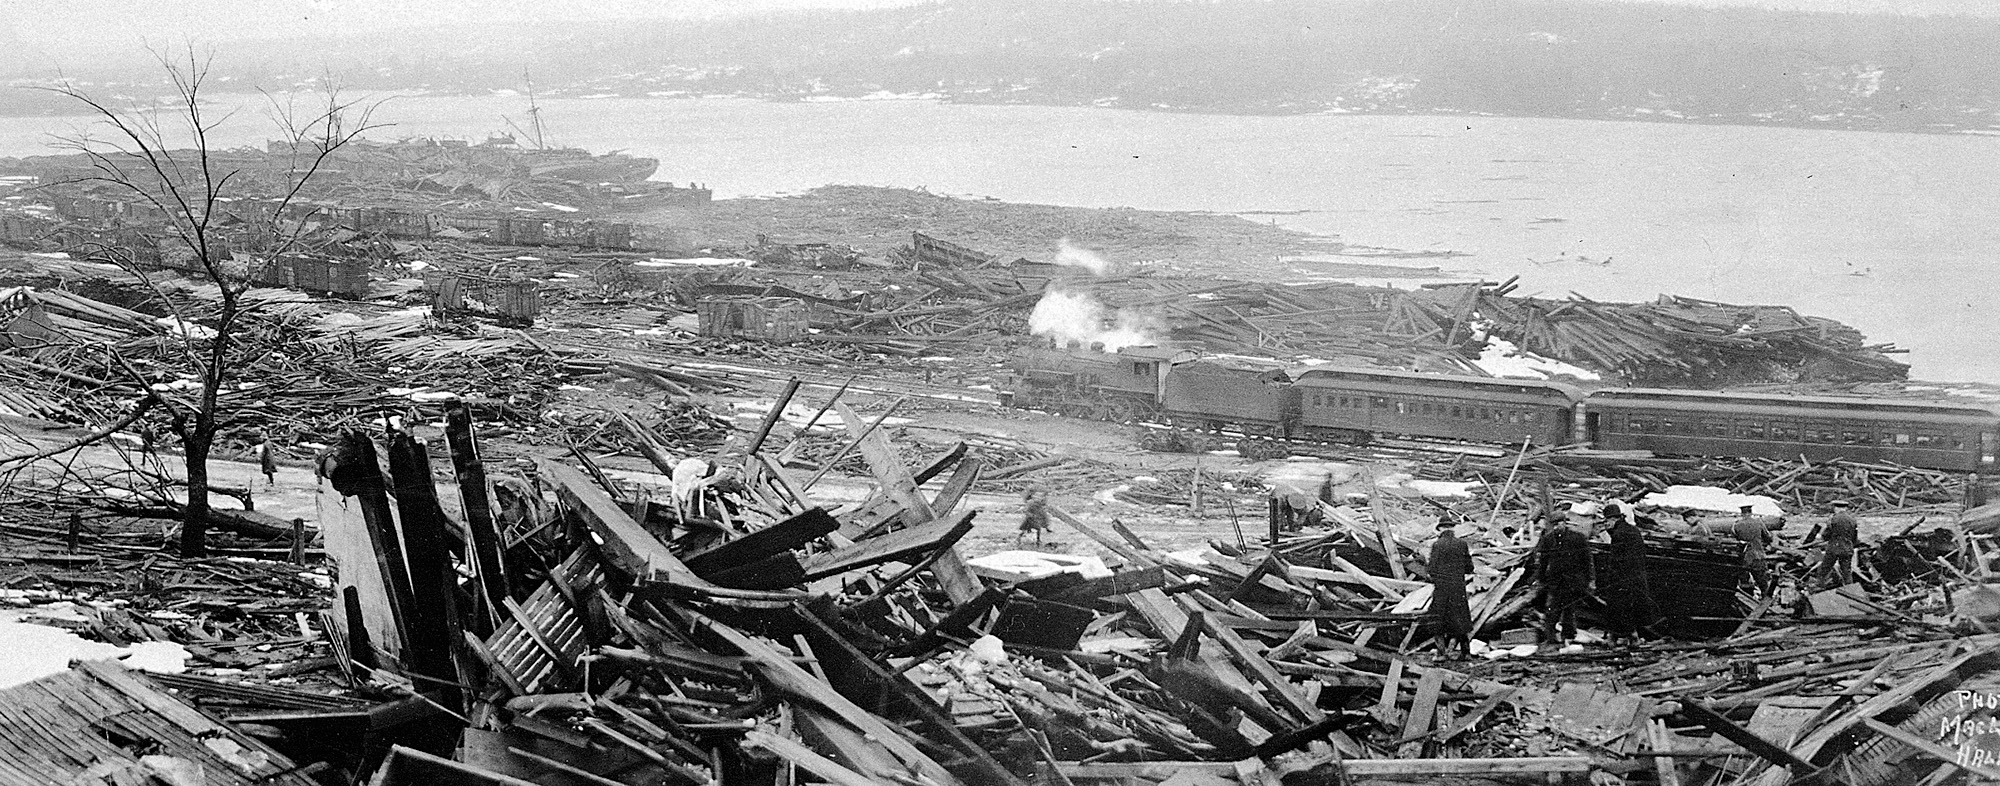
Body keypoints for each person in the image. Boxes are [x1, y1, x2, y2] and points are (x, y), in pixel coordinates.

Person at [1535, 508, 1594, 647]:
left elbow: (1587, 560)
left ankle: (1568, 636)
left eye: (1559, 524)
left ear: (1565, 523)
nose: (1557, 527)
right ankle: (1550, 637)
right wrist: (1541, 579)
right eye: (1554, 525)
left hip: (1573, 581)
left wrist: (1590, 580)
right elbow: (1543, 562)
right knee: (1553, 609)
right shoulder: (1548, 540)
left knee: (1569, 610)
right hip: (1556, 581)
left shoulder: (1577, 538)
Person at [1601, 508, 1660, 646]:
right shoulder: (1633, 530)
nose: (1605, 524)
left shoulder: (1619, 535)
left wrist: (1611, 579)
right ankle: (1632, 637)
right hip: (1637, 577)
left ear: (1613, 519)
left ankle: (1620, 638)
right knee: (1634, 608)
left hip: (1623, 579)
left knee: (1618, 609)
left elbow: (1616, 560)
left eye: (1607, 521)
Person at [1427, 516, 1474, 660]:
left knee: (1438, 619)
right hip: (1458, 588)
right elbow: (1469, 568)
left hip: (1442, 589)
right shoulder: (1462, 544)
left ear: (1440, 528)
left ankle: (1441, 654)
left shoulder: (1437, 545)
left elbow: (1432, 569)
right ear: (1452, 528)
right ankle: (1466, 653)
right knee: (1460, 618)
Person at [1814, 499, 1860, 588]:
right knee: (1847, 572)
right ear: (1846, 508)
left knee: (1824, 569)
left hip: (1833, 549)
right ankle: (1850, 590)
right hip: (1847, 549)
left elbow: (1826, 535)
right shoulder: (1852, 520)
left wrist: (1821, 537)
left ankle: (1818, 588)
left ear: (1836, 508)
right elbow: (1855, 538)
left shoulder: (1833, 519)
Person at [1733, 504, 1775, 596]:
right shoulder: (1759, 523)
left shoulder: (1736, 525)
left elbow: (1735, 539)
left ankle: (1749, 601)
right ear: (1751, 512)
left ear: (1742, 513)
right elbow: (1768, 537)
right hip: (1758, 556)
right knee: (1763, 583)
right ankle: (1766, 602)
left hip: (1744, 558)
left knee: (1745, 583)